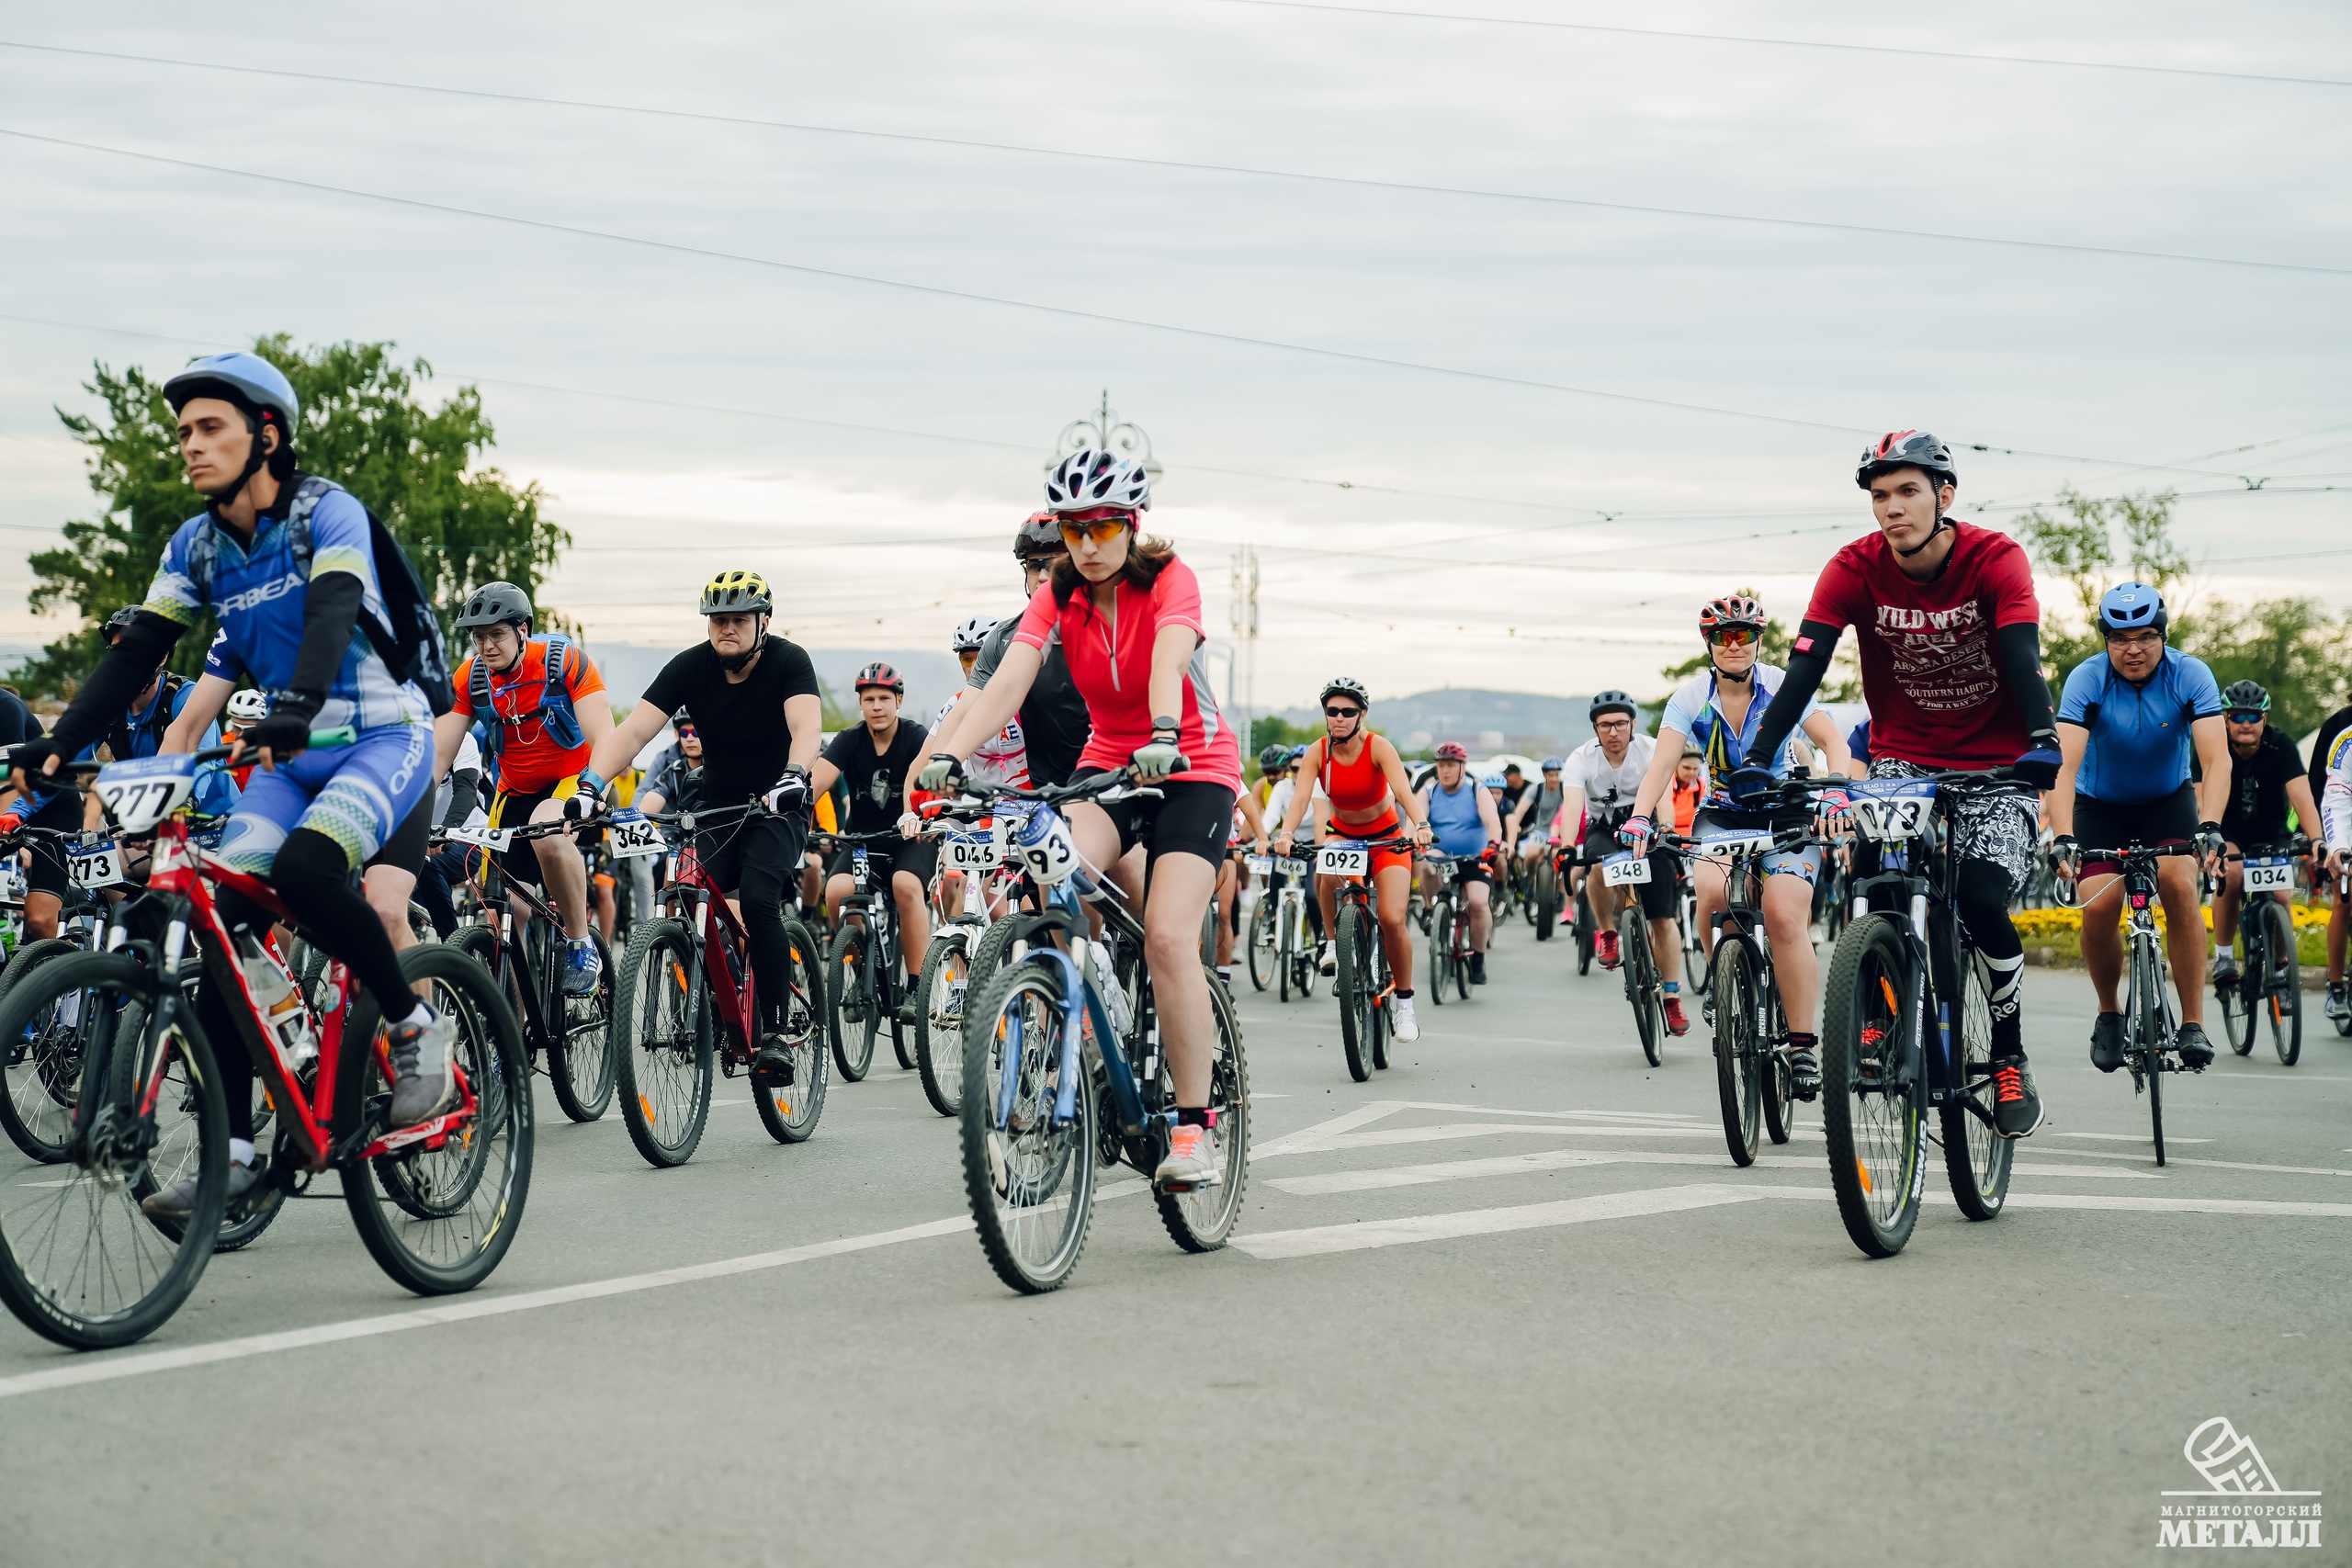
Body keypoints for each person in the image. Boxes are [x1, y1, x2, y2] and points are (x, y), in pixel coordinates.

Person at [11, 351, 451, 1218]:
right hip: (288, 760)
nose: (191, 445)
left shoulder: (327, 512)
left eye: (210, 427)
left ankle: (413, 1025)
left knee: (309, 873)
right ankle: (242, 1150)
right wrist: (58, 746)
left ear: (267, 435)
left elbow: (331, 611)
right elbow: (136, 651)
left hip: (378, 736)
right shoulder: (197, 546)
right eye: (183, 431)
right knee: (212, 920)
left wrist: (298, 703)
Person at [917, 448, 1243, 1189]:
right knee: (1051, 878)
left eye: (1101, 527)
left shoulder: (1170, 579)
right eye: (1074, 531)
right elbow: (1009, 677)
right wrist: (951, 756)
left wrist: (1165, 729)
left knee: (1166, 933)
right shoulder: (1057, 595)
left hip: (1189, 765)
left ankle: (1194, 1125)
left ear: (1130, 524)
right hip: (1109, 767)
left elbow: (1170, 653)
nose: (1088, 545)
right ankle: (1079, 1030)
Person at [1742, 431, 2062, 1138]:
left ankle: (2008, 1056)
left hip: (2000, 764)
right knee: (1872, 878)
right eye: (1880, 495)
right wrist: (1759, 757)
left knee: (1979, 897)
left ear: (1945, 495)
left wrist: (2042, 741)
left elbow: (2020, 653)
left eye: (1908, 491)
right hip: (1903, 761)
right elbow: (1804, 670)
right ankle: (1881, 1012)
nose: (1892, 508)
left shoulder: (1995, 557)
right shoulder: (1852, 568)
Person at [581, 570, 823, 1083]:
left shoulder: (788, 661)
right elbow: (633, 732)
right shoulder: (690, 666)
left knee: (757, 899)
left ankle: (776, 1033)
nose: (726, 629)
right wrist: (591, 785)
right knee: (685, 893)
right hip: (716, 806)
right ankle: (714, 998)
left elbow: (806, 728)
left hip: (777, 805)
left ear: (762, 622)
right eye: (717, 620)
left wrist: (796, 775)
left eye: (738, 620)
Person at [1623, 594, 1853, 1092]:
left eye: (1744, 635)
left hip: (1786, 810)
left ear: (1757, 641)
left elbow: (1834, 743)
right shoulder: (1688, 698)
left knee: (1784, 916)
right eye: (1723, 636)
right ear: (1708, 643)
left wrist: (1835, 791)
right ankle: (1725, 980)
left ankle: (1802, 1045)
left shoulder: (1782, 685)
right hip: (1725, 813)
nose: (1734, 645)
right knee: (1709, 894)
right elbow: (1661, 766)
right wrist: (1642, 817)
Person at [2048, 583, 2230, 1071]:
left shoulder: (2191, 674)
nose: (2134, 649)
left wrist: (2210, 824)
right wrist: (2063, 835)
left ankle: (2193, 1022)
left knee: (2178, 882)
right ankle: (2110, 1012)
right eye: (2120, 639)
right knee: (2102, 901)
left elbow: (2216, 760)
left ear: (2164, 636)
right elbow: (2063, 765)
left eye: (2147, 637)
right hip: (2098, 805)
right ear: (2105, 641)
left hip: (2167, 801)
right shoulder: (2086, 679)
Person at [433, 581, 611, 996]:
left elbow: (605, 736)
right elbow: (437, 758)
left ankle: (580, 942)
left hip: (574, 780)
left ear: (523, 630)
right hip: (512, 790)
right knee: (502, 916)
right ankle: (512, 1035)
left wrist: (594, 789)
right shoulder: (472, 678)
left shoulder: (562, 659)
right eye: (479, 637)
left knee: (546, 830)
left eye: (497, 634)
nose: (486, 646)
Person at [1272, 678, 1434, 1032]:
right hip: (1343, 834)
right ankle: (1333, 942)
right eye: (1333, 711)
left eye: (1348, 711)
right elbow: (1301, 798)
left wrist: (1420, 823)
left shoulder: (1379, 747)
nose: (1339, 718)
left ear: (1361, 715)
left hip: (1387, 838)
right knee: (1325, 869)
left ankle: (1405, 1002)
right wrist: (1285, 833)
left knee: (1392, 919)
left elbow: (1402, 790)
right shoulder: (1318, 752)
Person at [811, 662, 935, 1006]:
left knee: (906, 886)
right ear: (861, 704)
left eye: (884, 698)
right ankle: (861, 974)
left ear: (899, 700)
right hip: (864, 844)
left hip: (911, 839)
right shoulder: (849, 740)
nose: (876, 706)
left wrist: (926, 816)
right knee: (836, 892)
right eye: (869, 699)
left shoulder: (916, 737)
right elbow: (817, 781)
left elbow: (932, 783)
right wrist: (794, 806)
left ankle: (915, 987)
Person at [1564, 692, 1689, 1019]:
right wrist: (1565, 845)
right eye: (1605, 725)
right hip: (1604, 829)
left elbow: (1663, 796)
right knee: (1598, 866)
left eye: (1620, 723)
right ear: (1595, 729)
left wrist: (1666, 828)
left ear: (1633, 724)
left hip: (1648, 825)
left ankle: (1673, 998)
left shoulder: (1650, 750)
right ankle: (1607, 932)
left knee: (1663, 918)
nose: (1614, 732)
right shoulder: (1580, 758)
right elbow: (1573, 805)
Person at [948, 513, 1091, 791]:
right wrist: (941, 762)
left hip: (1112, 784)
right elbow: (965, 711)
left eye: (1055, 564)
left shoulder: (1111, 628)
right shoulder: (1004, 639)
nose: (1044, 577)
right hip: (1041, 796)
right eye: (1035, 566)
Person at [2209, 681, 2321, 988]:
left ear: (2265, 719)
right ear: (2225, 719)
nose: (2246, 724)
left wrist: (2317, 840)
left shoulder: (2281, 745)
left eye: (2253, 717)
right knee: (2231, 876)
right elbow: (2198, 797)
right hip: (2228, 831)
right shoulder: (2211, 745)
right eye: (2238, 717)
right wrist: (2204, 837)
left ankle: (2281, 971)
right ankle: (2224, 956)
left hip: (2272, 833)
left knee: (2282, 896)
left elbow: (2302, 796)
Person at [1411, 741, 1500, 988]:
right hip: (1443, 855)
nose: (1445, 771)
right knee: (1427, 863)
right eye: (1441, 766)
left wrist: (1494, 844)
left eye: (1451, 765)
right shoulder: (1428, 791)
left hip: (1474, 857)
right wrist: (1412, 842)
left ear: (1463, 767)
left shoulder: (1477, 790)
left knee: (1478, 903)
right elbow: (1415, 821)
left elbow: (1493, 822)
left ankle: (1479, 957)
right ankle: (1431, 909)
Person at [2306, 698, 2352, 1023]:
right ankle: (2336, 985)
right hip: (2344, 819)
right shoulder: (2341, 731)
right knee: (2344, 899)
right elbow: (2324, 790)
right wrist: (2329, 845)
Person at [1509, 757, 1568, 875]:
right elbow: (1520, 811)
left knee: (1562, 860)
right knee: (1531, 856)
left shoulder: (1566, 789)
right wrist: (1514, 825)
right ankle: (1531, 880)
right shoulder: (1536, 789)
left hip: (1561, 831)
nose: (1554, 779)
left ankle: (1561, 891)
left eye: (1557, 775)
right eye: (1551, 775)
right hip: (1540, 830)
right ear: (1545, 774)